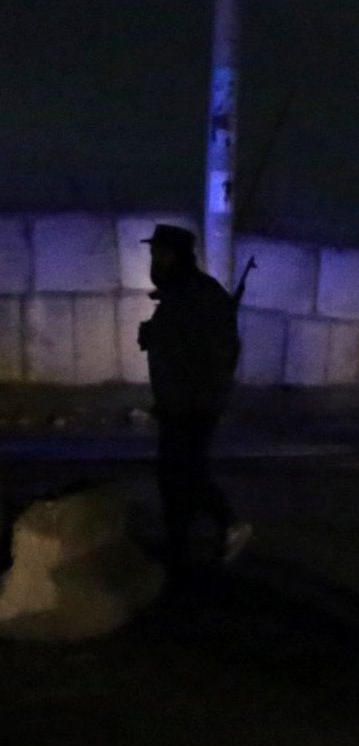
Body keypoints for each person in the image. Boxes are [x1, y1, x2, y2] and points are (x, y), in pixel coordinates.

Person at [138, 224, 248, 574]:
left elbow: (216, 351)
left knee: (186, 475)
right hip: (176, 403)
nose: (154, 260)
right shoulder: (178, 293)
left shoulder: (197, 294)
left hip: (192, 405)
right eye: (154, 253)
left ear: (177, 256)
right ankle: (177, 547)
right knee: (174, 479)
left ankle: (230, 523)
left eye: (160, 253)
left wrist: (201, 400)